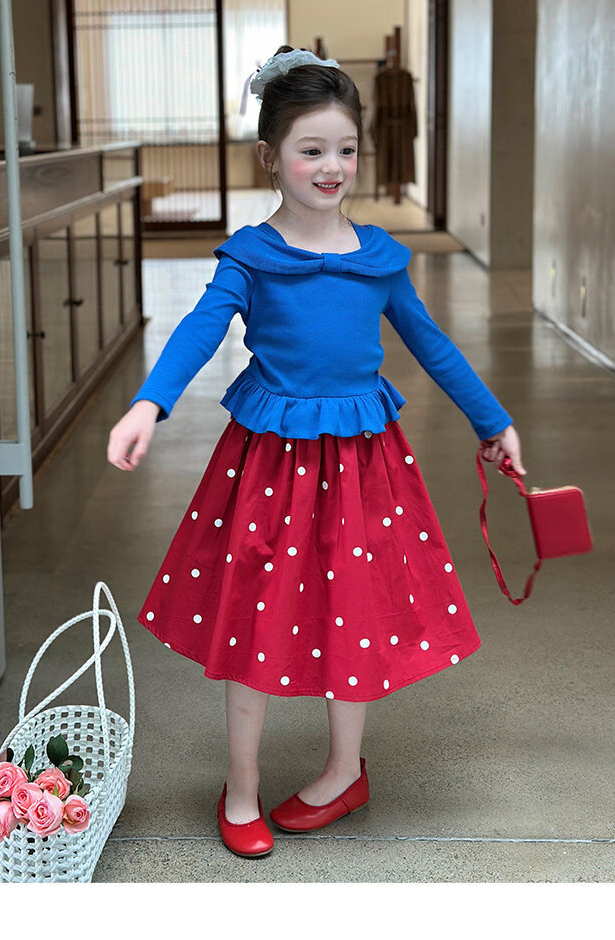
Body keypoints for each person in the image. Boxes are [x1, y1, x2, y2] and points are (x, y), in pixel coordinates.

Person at [106, 45, 526, 860]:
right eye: (311, 150)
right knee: (255, 616)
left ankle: (342, 772)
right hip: (269, 467)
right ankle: (240, 785)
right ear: (271, 157)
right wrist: (149, 402)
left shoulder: (378, 259)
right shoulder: (251, 256)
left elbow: (432, 344)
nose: (332, 167)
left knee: (352, 612)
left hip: (363, 467)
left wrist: (492, 420)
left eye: (346, 149)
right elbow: (199, 328)